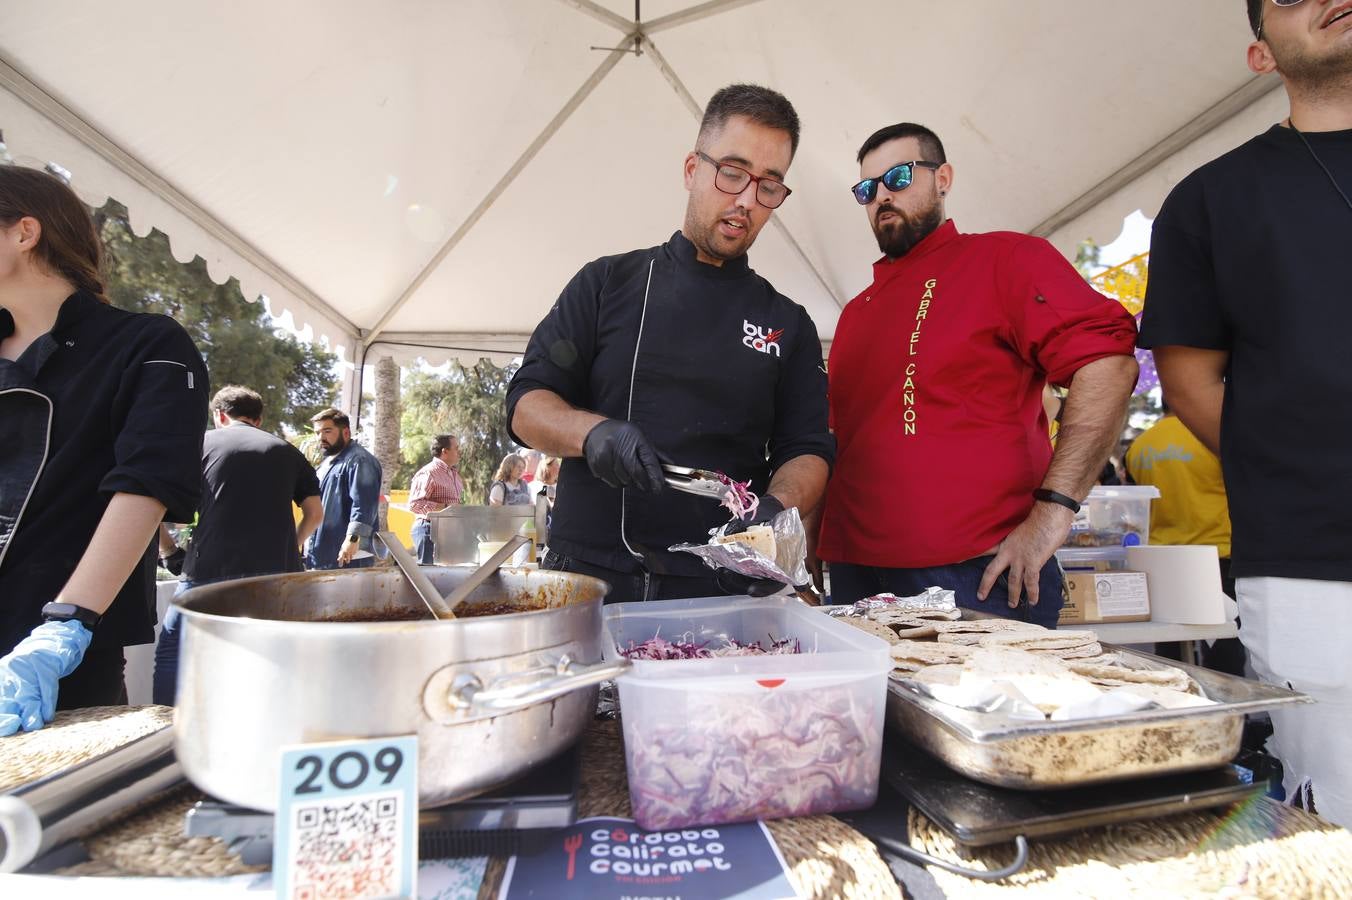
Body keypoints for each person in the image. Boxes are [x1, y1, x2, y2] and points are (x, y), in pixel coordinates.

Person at [1137, 0, 1352, 825]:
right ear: (1262, 55)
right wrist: (1294, 469)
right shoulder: (1209, 199)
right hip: (1310, 566)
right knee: (1332, 818)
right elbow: (1190, 386)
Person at [506, 83, 834, 604]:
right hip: (590, 578)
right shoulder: (607, 283)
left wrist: (777, 508)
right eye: (732, 173)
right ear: (692, 170)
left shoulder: (786, 322)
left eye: (769, 185)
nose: (747, 200)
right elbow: (527, 404)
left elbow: (809, 448)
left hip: (719, 590)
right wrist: (593, 435)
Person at [818, 123, 1138, 625]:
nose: (881, 195)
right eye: (866, 188)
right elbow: (834, 440)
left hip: (976, 576)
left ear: (942, 177)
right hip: (856, 577)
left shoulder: (1004, 259)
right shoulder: (855, 311)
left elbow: (1107, 364)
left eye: (898, 177)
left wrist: (1054, 512)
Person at [0, 164, 207, 733]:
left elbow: (147, 483)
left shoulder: (146, 343)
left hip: (55, 651)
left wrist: (65, 623)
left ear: (24, 232)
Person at [151, 385, 323, 704]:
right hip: (278, 576)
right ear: (258, 420)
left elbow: (153, 505)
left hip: (208, 568)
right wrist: (291, 546)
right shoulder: (287, 451)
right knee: (274, 660)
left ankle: (165, 735)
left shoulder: (199, 444)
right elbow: (315, 514)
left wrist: (169, 553)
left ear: (219, 416)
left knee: (174, 655)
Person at [1124, 404, 1243, 676]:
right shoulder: (1211, 433)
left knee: (1169, 639)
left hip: (1161, 554)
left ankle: (1178, 697)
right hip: (1215, 551)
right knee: (1224, 638)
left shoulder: (1141, 445)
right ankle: (1229, 711)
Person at [303, 408, 383, 570]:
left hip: (348, 557)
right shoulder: (327, 463)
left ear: (345, 432)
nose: (321, 437)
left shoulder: (359, 460)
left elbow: (364, 504)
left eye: (327, 431)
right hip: (322, 554)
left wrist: (353, 539)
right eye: (317, 432)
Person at [407, 434, 464, 564]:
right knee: (429, 577)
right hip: (429, 530)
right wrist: (445, 507)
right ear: (445, 451)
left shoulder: (455, 475)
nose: (459, 452)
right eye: (456, 448)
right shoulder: (428, 472)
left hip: (449, 532)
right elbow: (414, 504)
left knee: (446, 578)